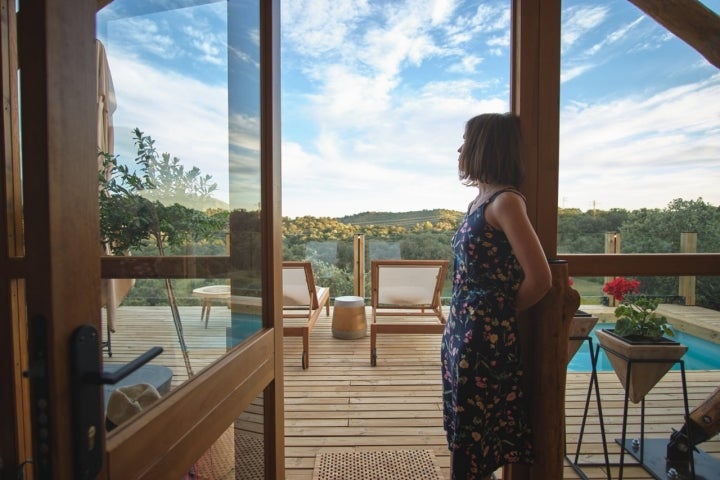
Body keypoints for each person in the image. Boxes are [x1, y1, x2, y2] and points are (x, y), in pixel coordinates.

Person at [441, 112, 552, 480]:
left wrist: (495, 316)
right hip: (461, 330)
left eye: (466, 141)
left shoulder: (506, 202)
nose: (460, 149)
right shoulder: (480, 200)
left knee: (477, 435)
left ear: (483, 148)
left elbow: (539, 278)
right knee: (464, 429)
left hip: (482, 339)